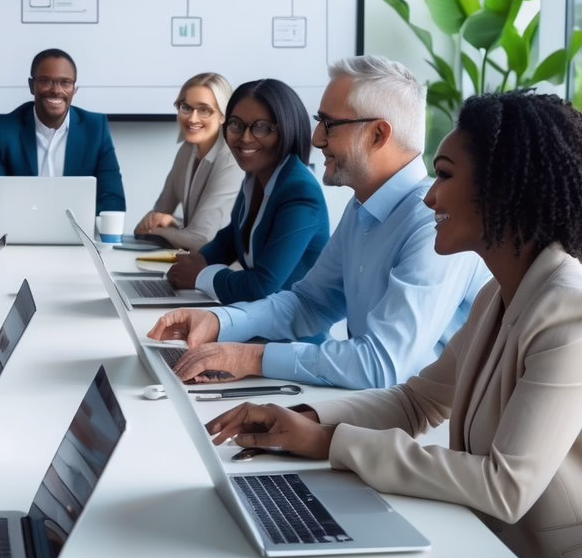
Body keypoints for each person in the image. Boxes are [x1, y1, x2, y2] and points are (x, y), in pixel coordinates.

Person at [207, 91, 582, 558]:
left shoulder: (567, 313)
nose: (429, 197)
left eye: (444, 175)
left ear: (503, 187)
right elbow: (416, 401)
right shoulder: (499, 293)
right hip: (475, 538)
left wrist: (331, 441)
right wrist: (302, 418)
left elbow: (504, 487)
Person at [149, 56, 488, 390]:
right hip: (373, 409)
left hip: (423, 429)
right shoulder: (362, 207)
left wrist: (249, 358)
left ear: (377, 134)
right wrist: (218, 321)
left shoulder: (432, 221)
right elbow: (310, 302)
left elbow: (382, 366)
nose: (315, 139)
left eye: (329, 124)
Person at [164, 78, 329, 299]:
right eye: (236, 124)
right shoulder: (255, 176)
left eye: (261, 127)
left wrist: (200, 276)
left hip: (287, 331)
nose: (245, 138)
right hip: (253, 320)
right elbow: (233, 237)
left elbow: (261, 285)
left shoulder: (300, 192)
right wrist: (200, 259)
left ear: (286, 129)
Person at [0, 48, 126, 220]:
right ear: (32, 85)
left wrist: (94, 228)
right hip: (19, 235)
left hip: (78, 237)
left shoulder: (96, 129)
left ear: (74, 89)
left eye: (65, 82)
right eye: (46, 81)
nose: (56, 90)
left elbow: (113, 198)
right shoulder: (4, 129)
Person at [133, 72, 242, 252]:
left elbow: (203, 239)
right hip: (192, 265)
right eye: (186, 107)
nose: (192, 118)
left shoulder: (232, 161)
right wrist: (171, 223)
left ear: (224, 115)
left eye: (204, 110)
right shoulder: (187, 151)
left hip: (227, 271)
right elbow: (156, 216)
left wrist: (159, 231)